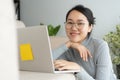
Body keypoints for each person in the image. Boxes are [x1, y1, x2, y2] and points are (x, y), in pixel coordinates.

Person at [53, 4, 117, 80]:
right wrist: (69, 44)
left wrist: (78, 69)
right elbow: (46, 64)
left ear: (90, 27)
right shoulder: (67, 48)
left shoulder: (100, 46)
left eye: (80, 23)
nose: (73, 28)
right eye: (70, 23)